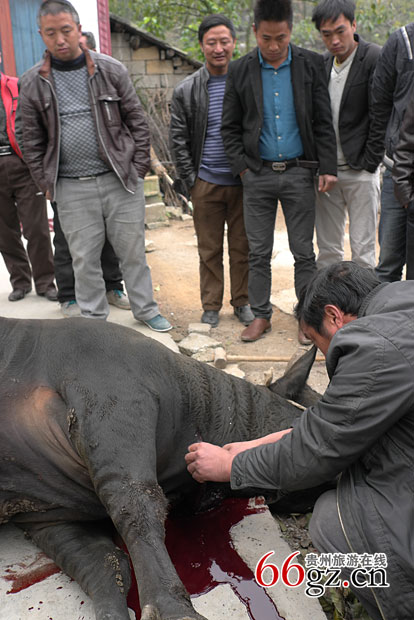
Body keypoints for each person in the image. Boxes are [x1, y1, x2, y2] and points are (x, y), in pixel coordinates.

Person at [186, 261, 414, 620]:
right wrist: (254, 446)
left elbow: (316, 452)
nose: (322, 355)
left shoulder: (374, 346)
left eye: (316, 341)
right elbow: (340, 423)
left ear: (334, 316)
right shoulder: (402, 306)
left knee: (333, 520)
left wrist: (231, 466)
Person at [17, 0, 171, 331]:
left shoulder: (110, 70)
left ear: (78, 29)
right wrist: (46, 183)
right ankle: (94, 323)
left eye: (66, 31)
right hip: (71, 187)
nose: (60, 39)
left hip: (119, 180)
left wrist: (137, 169)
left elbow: (137, 121)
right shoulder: (32, 83)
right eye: (51, 33)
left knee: (132, 253)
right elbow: (30, 139)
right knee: (83, 258)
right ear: (41, 35)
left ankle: (146, 309)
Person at [221, 0, 337, 343]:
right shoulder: (240, 69)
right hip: (257, 174)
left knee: (303, 251)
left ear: (291, 31)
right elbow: (229, 127)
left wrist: (327, 167)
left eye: (281, 38)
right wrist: (243, 170)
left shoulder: (310, 64)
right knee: (258, 252)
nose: (273, 46)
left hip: (299, 172)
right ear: (255, 31)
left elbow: (322, 120)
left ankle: (307, 320)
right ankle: (261, 316)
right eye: (266, 38)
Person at [169, 15, 253, 329]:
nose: (218, 49)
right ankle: (211, 305)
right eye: (211, 43)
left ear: (234, 43)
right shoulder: (186, 89)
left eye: (224, 42)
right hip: (206, 182)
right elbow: (178, 139)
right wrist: (192, 181)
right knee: (209, 249)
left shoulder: (248, 83)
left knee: (243, 248)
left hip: (243, 182)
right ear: (202, 46)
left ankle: (242, 301)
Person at [50, 28, 130, 318]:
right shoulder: (51, 82)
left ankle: (113, 287)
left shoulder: (107, 80)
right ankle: (69, 295)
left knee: (109, 237)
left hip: (108, 175)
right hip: (66, 179)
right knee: (66, 240)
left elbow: (130, 122)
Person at [311, 0, 382, 268]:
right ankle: (329, 296)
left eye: (340, 31)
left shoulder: (373, 57)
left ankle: (364, 296)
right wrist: (322, 164)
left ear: (353, 25)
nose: (334, 40)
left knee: (363, 250)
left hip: (360, 169)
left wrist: (370, 162)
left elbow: (380, 114)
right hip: (328, 171)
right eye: (326, 34)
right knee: (328, 250)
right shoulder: (322, 63)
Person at [0, 51, 57, 303]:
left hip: (22, 164)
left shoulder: (16, 86)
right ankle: (20, 282)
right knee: (5, 232)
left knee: (37, 229)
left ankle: (45, 282)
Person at [371, 21, 414, 281]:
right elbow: (379, 102)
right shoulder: (401, 41)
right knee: (388, 262)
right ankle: (384, 309)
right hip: (397, 169)